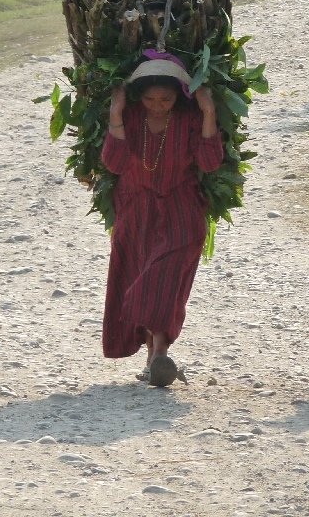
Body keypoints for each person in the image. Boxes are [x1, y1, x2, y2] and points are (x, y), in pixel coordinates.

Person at [101, 49, 223, 387]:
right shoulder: (130, 119)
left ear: (178, 96)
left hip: (181, 211)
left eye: (166, 99)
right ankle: (153, 358)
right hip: (135, 210)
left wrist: (209, 111)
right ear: (139, 98)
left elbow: (210, 162)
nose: (158, 106)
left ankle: (160, 353)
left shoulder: (188, 120)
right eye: (150, 99)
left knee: (165, 280)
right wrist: (115, 113)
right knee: (140, 276)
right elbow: (115, 163)